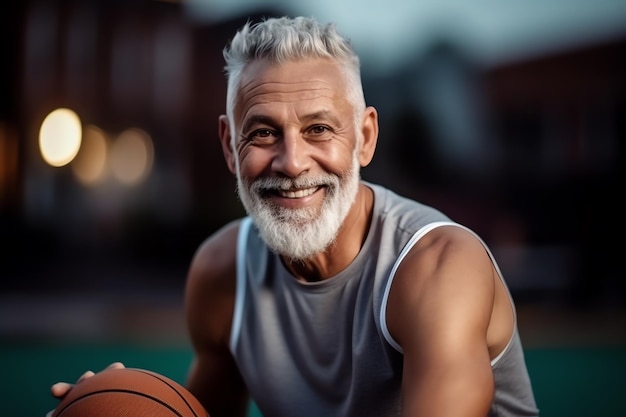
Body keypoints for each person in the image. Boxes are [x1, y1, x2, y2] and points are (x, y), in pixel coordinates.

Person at [49, 16, 539, 417]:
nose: (291, 162)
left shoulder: (439, 268)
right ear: (228, 145)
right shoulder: (222, 274)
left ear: (365, 138)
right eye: (262, 133)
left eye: (319, 128)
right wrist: (111, 407)